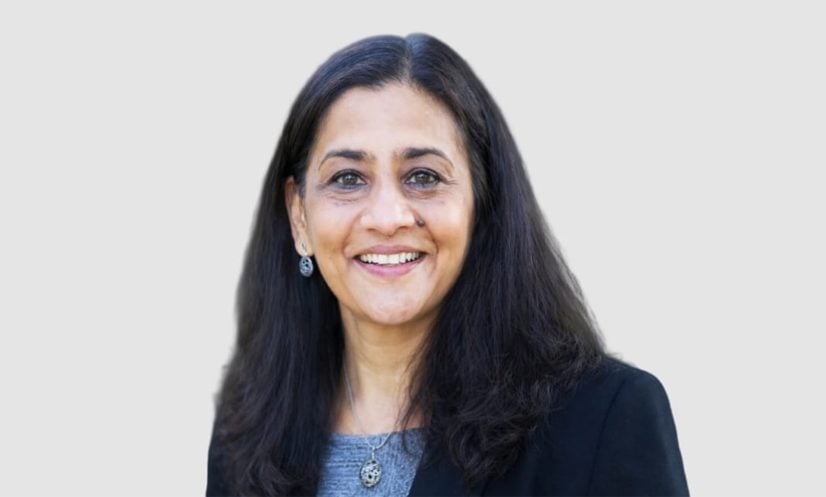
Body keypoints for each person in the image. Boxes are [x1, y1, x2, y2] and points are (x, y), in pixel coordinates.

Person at [207, 33, 689, 496]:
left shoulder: (604, 419)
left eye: (423, 176)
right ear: (299, 218)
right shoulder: (248, 435)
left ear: (481, 203)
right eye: (348, 178)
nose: (388, 218)